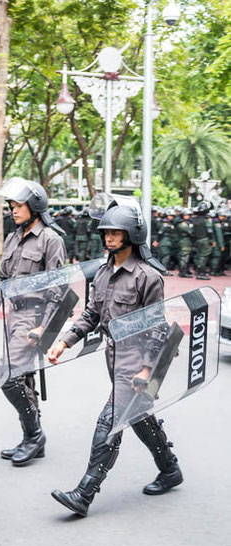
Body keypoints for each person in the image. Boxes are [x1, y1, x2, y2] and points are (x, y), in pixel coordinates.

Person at [48, 201, 181, 517]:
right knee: (139, 416)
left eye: (116, 232)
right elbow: (92, 314)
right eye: (106, 231)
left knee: (110, 421)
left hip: (138, 359)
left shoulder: (148, 276)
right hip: (114, 354)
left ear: (132, 234)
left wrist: (148, 369)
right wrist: (64, 342)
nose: (109, 237)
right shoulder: (103, 273)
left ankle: (84, 494)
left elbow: (156, 326)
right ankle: (170, 469)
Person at [0, 178, 66, 466]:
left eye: (19, 205)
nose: (13, 209)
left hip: (35, 316)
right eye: (11, 205)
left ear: (35, 206)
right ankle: (31, 439)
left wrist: (45, 327)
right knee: (22, 378)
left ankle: (35, 435)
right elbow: (3, 279)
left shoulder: (52, 239)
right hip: (14, 314)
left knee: (8, 375)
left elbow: (58, 288)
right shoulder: (13, 238)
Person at [192, 202, 212, 280]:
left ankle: (199, 270)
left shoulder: (195, 220)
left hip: (198, 240)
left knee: (199, 256)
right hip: (205, 239)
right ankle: (201, 273)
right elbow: (210, 231)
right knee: (204, 256)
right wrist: (212, 240)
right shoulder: (206, 220)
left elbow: (193, 232)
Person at [177, 208, 194, 277]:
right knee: (184, 256)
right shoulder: (182, 223)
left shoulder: (188, 222)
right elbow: (190, 231)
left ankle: (186, 270)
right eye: (186, 215)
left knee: (188, 256)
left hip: (188, 241)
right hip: (184, 241)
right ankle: (183, 271)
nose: (188, 216)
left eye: (189, 215)